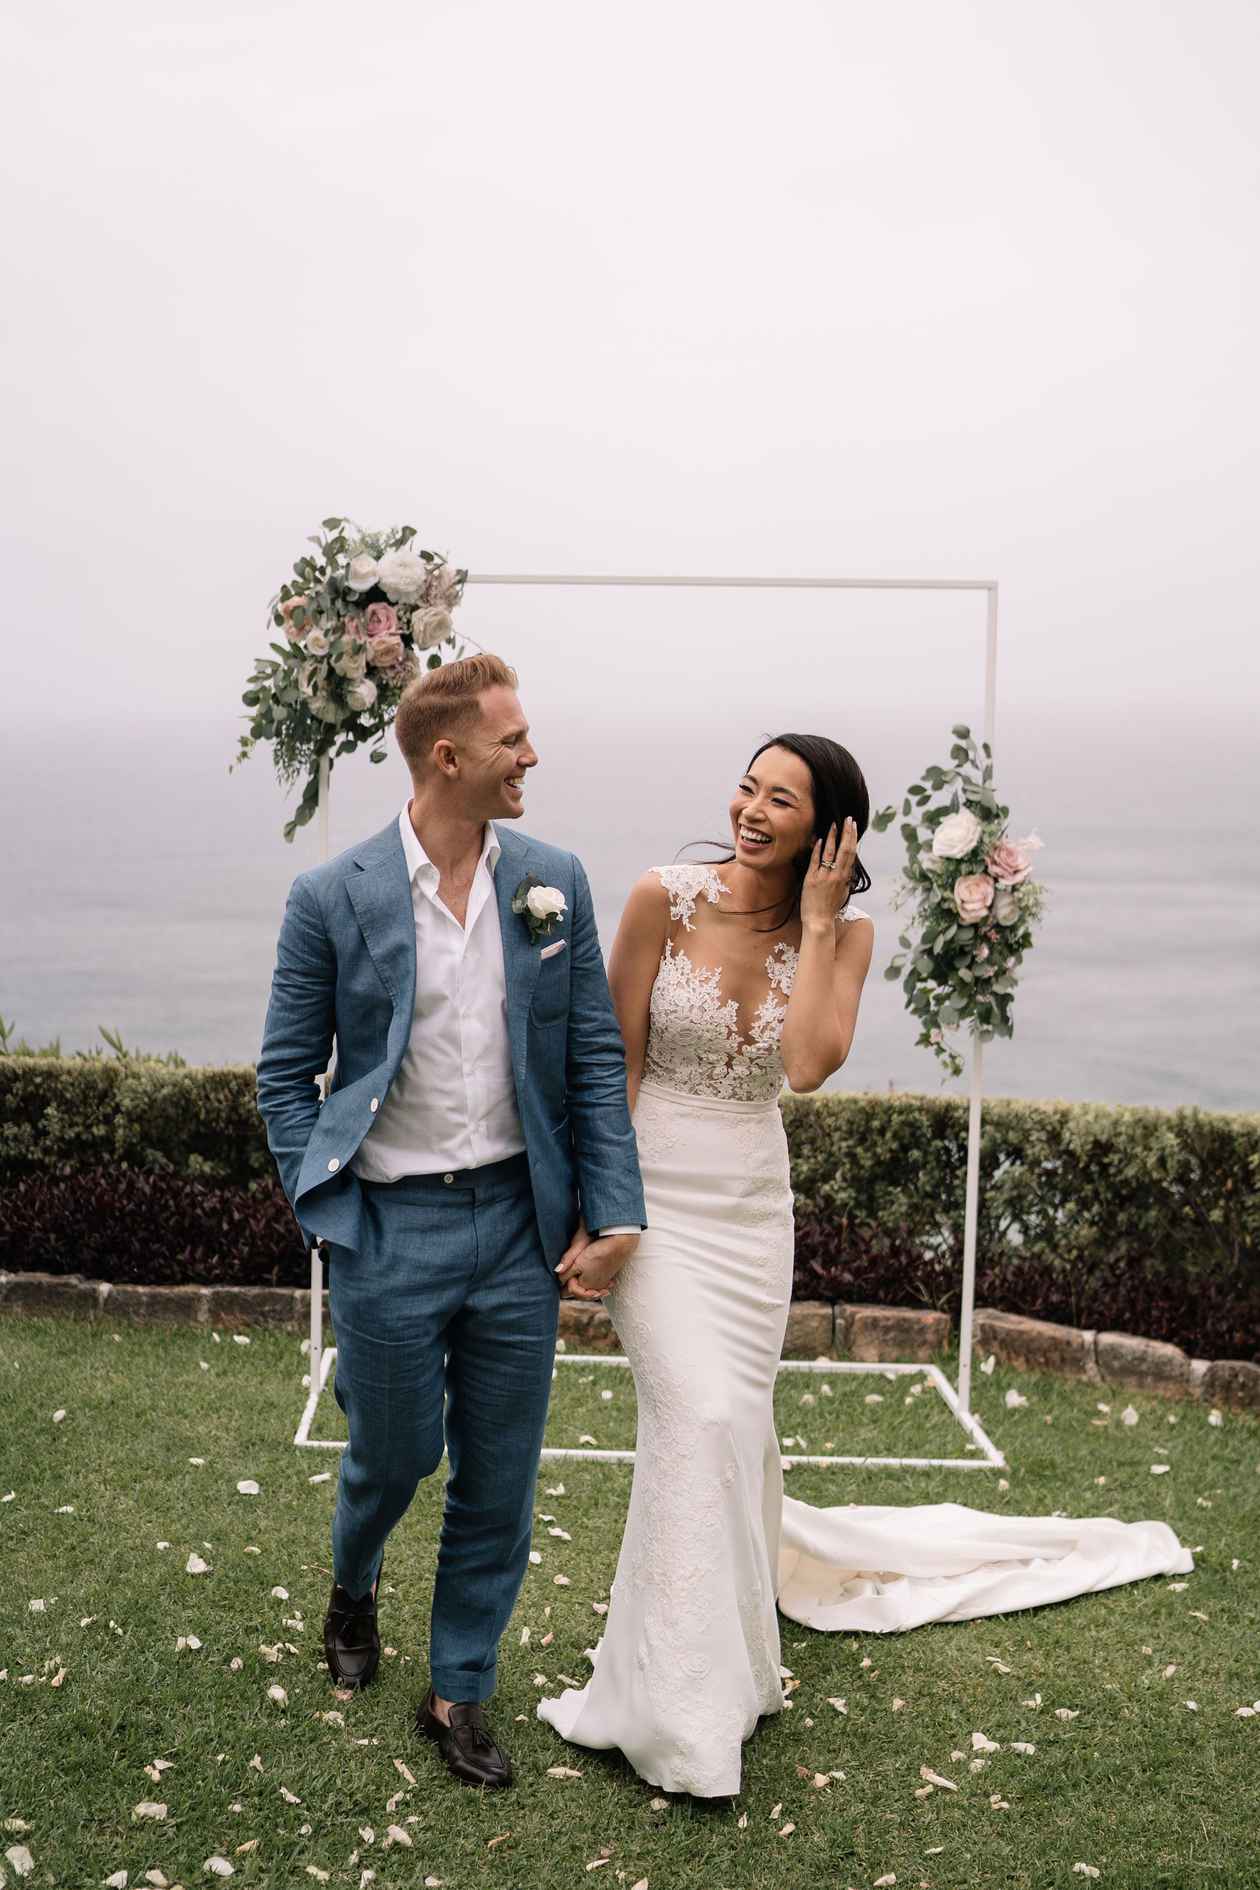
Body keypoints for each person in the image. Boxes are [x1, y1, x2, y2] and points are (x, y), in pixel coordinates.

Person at [536, 732, 1192, 1798]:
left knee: (732, 1429)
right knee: (698, 1418)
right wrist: (603, 1211)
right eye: (747, 787)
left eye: (780, 800)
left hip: (751, 1213)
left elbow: (802, 1067)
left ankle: (728, 1676)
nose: (750, 809)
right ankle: (671, 1712)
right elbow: (614, 1057)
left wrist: (815, 923)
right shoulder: (663, 894)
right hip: (655, 1203)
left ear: (827, 830)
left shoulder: (848, 936)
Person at [256, 652, 646, 1790]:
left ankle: (458, 1687)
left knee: (501, 1474)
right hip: (387, 1225)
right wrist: (327, 1212)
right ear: (449, 757)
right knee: (394, 1452)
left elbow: (586, 1063)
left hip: (520, 1227)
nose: (532, 757)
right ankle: (354, 1578)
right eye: (514, 740)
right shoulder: (332, 897)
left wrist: (611, 1213)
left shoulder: (553, 880)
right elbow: (286, 1078)